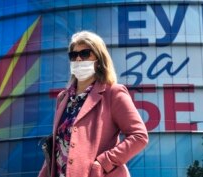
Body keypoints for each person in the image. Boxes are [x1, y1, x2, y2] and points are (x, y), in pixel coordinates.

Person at [38, 31, 148, 177]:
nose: (78, 59)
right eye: (73, 55)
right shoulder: (63, 98)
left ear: (99, 59)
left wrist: (103, 163)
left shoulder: (113, 93)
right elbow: (59, 146)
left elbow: (139, 136)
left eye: (85, 54)